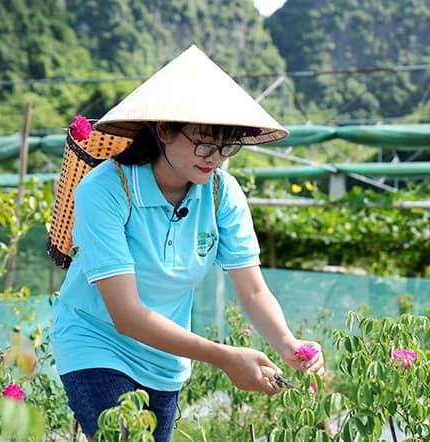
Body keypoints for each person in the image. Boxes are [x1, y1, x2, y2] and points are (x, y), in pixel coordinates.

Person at [51, 45, 325, 442]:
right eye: (204, 143)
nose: (215, 157)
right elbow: (126, 315)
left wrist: (288, 344)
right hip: (96, 339)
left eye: (227, 145)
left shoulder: (221, 194)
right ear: (163, 130)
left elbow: (251, 289)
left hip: (166, 356)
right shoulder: (106, 189)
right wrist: (225, 356)